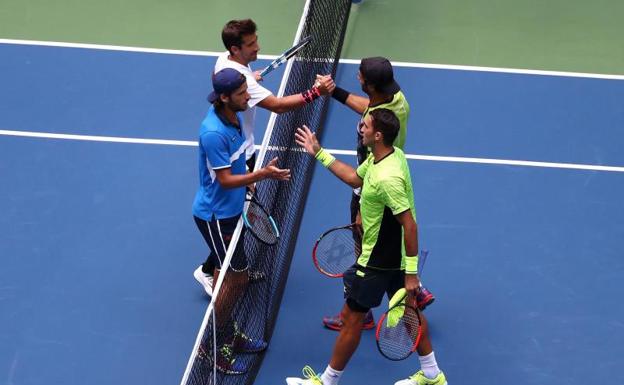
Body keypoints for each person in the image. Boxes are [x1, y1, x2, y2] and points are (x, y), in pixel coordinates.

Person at [288, 109, 447, 385]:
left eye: (366, 125)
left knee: (351, 317)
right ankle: (433, 375)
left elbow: (409, 224)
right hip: (392, 254)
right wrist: (319, 152)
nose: (360, 127)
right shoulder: (386, 155)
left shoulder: (388, 178)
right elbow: (354, 178)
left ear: (378, 134)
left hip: (378, 260)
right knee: (407, 309)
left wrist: (411, 274)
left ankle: (326, 382)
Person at [194, 18, 334, 295]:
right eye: (251, 44)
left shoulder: (225, 62)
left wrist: (247, 80)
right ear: (235, 48)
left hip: (240, 147)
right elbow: (279, 107)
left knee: (238, 214)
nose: (258, 47)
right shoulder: (218, 124)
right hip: (239, 150)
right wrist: (315, 92)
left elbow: (229, 79)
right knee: (231, 215)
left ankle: (226, 264)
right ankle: (214, 270)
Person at [321, 57, 434, 331]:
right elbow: (367, 109)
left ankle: (362, 310)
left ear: (369, 84)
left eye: (360, 77)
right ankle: (414, 288)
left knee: (365, 244)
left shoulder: (376, 143)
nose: (357, 78)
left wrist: (360, 201)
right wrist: (334, 91)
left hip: (373, 182)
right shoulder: (395, 98)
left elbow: (366, 115)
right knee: (386, 242)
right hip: (382, 172)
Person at [192, 68, 291, 374]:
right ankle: (213, 345)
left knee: (237, 277)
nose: (249, 97)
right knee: (235, 280)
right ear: (224, 98)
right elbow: (223, 180)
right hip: (215, 216)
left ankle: (229, 333)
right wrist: (259, 175)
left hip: (233, 210)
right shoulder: (213, 132)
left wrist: (247, 180)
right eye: (242, 94)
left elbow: (234, 165)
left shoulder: (233, 118)